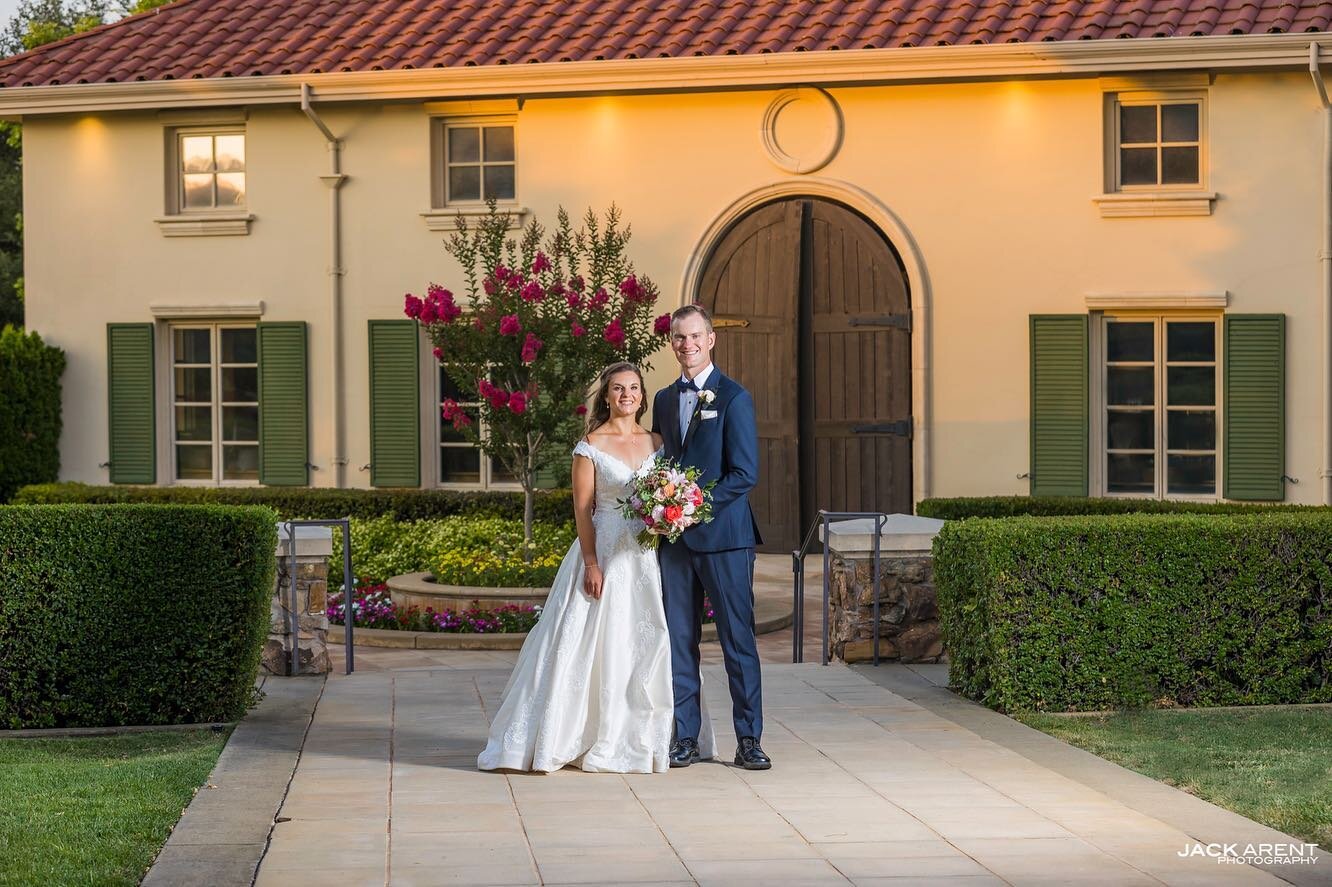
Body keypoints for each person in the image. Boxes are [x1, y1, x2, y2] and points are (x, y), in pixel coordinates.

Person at [478, 361, 714, 773]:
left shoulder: (658, 442)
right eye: (618, 389)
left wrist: (670, 514)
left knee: (648, 642)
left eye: (634, 388)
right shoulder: (589, 445)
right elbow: (583, 509)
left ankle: (648, 735)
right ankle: (575, 735)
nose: (627, 395)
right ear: (606, 396)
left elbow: (668, 495)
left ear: (643, 396)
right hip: (605, 552)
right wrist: (590, 561)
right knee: (589, 643)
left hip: (647, 558)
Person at [652, 304, 770, 771]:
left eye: (696, 336)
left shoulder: (735, 397)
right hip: (675, 545)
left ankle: (749, 739)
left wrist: (689, 505)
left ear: (711, 338)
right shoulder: (663, 399)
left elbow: (744, 474)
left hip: (725, 539)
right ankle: (685, 737)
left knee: (737, 641)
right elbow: (661, 464)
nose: (688, 345)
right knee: (679, 641)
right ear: (673, 343)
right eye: (680, 338)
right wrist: (659, 504)